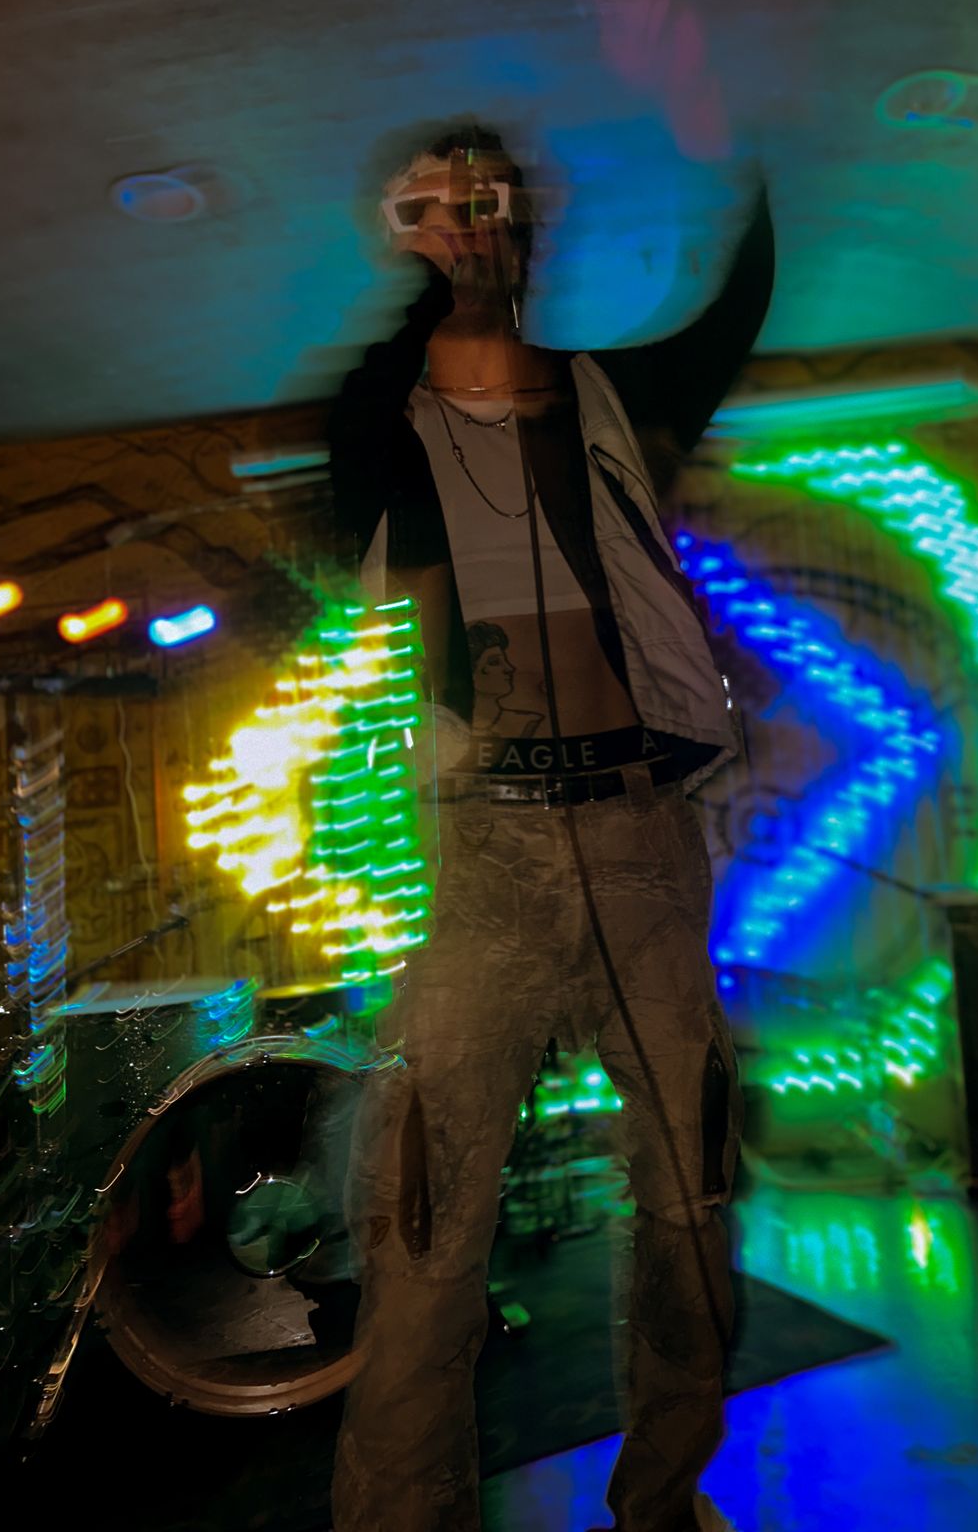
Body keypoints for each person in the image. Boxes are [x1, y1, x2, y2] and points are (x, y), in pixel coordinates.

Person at [328, 123, 773, 1532]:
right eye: (437, 205)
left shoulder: (610, 397)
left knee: (690, 1194)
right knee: (421, 1216)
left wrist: (747, 125)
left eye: (490, 201)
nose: (468, 221)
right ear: (407, 233)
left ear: (528, 228)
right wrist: (438, 286)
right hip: (490, 859)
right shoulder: (384, 422)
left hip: (640, 839)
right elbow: (349, 462)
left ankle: (665, 1502)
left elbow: (734, 312)